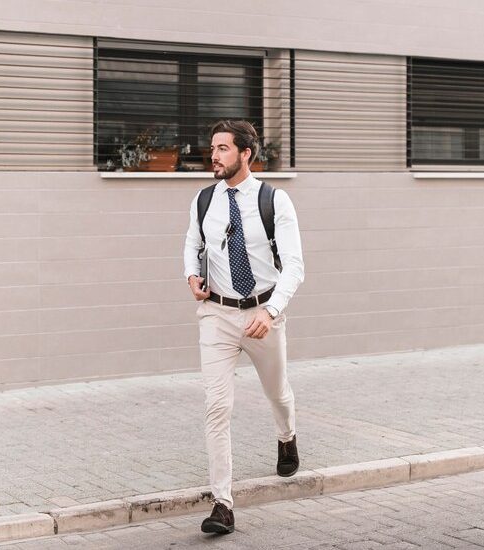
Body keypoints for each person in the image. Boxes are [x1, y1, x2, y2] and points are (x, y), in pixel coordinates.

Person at [182, 120, 305, 534]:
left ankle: (286, 435)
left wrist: (270, 312)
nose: (213, 155)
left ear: (245, 154)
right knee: (217, 408)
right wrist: (191, 276)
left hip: (262, 315)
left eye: (222, 148)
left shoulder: (275, 201)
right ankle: (222, 504)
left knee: (278, 391)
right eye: (212, 147)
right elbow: (192, 244)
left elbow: (295, 266)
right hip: (217, 316)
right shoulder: (203, 200)